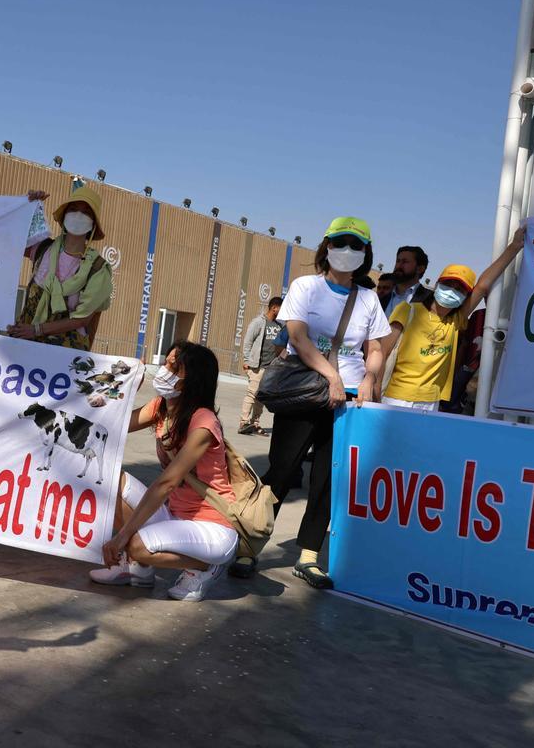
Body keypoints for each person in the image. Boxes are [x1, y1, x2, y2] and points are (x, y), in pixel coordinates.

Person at [244, 217, 390, 589]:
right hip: (307, 390)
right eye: (341, 242)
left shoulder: (369, 298)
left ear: (366, 254)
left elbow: (374, 347)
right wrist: (332, 375)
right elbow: (297, 336)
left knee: (328, 477)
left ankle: (309, 554)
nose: (348, 251)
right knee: (282, 470)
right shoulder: (306, 286)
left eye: (357, 246)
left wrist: (371, 377)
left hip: (349, 400)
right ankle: (250, 544)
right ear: (326, 246)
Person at [89, 342, 238, 602]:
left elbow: (167, 483)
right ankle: (138, 570)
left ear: (191, 379)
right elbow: (115, 425)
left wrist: (123, 538)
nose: (164, 369)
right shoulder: (162, 406)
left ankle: (205, 566)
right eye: (165, 362)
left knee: (136, 545)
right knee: (109, 479)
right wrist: (128, 387)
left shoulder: (203, 421)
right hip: (175, 516)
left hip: (212, 527)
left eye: (173, 366)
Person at [378, 226, 526, 412]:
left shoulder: (456, 321)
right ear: (438, 283)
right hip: (396, 399)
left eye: (460, 289)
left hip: (431, 403)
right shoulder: (407, 310)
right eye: (448, 284)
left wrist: (514, 247)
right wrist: (374, 389)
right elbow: (382, 352)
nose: (452, 291)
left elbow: (481, 286)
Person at [7, 186, 113, 350]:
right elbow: (11, 236)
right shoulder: (43, 248)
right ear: (64, 217)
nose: (78, 215)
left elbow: (83, 318)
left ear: (93, 224)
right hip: (24, 342)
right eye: (73, 209)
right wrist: (28, 205)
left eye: (86, 212)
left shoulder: (98, 269)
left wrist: (36, 330)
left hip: (64, 355)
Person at [238, 297, 283, 436]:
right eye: (280, 308)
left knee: (261, 397)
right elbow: (248, 341)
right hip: (257, 366)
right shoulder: (258, 322)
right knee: (252, 394)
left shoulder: (279, 326)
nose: (282, 311)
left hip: (270, 368)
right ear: (274, 307)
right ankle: (243, 422)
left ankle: (255, 423)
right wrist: (246, 360)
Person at [383, 245, 432, 314]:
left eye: (405, 262)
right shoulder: (383, 294)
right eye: (398, 261)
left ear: (420, 269)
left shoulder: (429, 300)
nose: (398, 266)